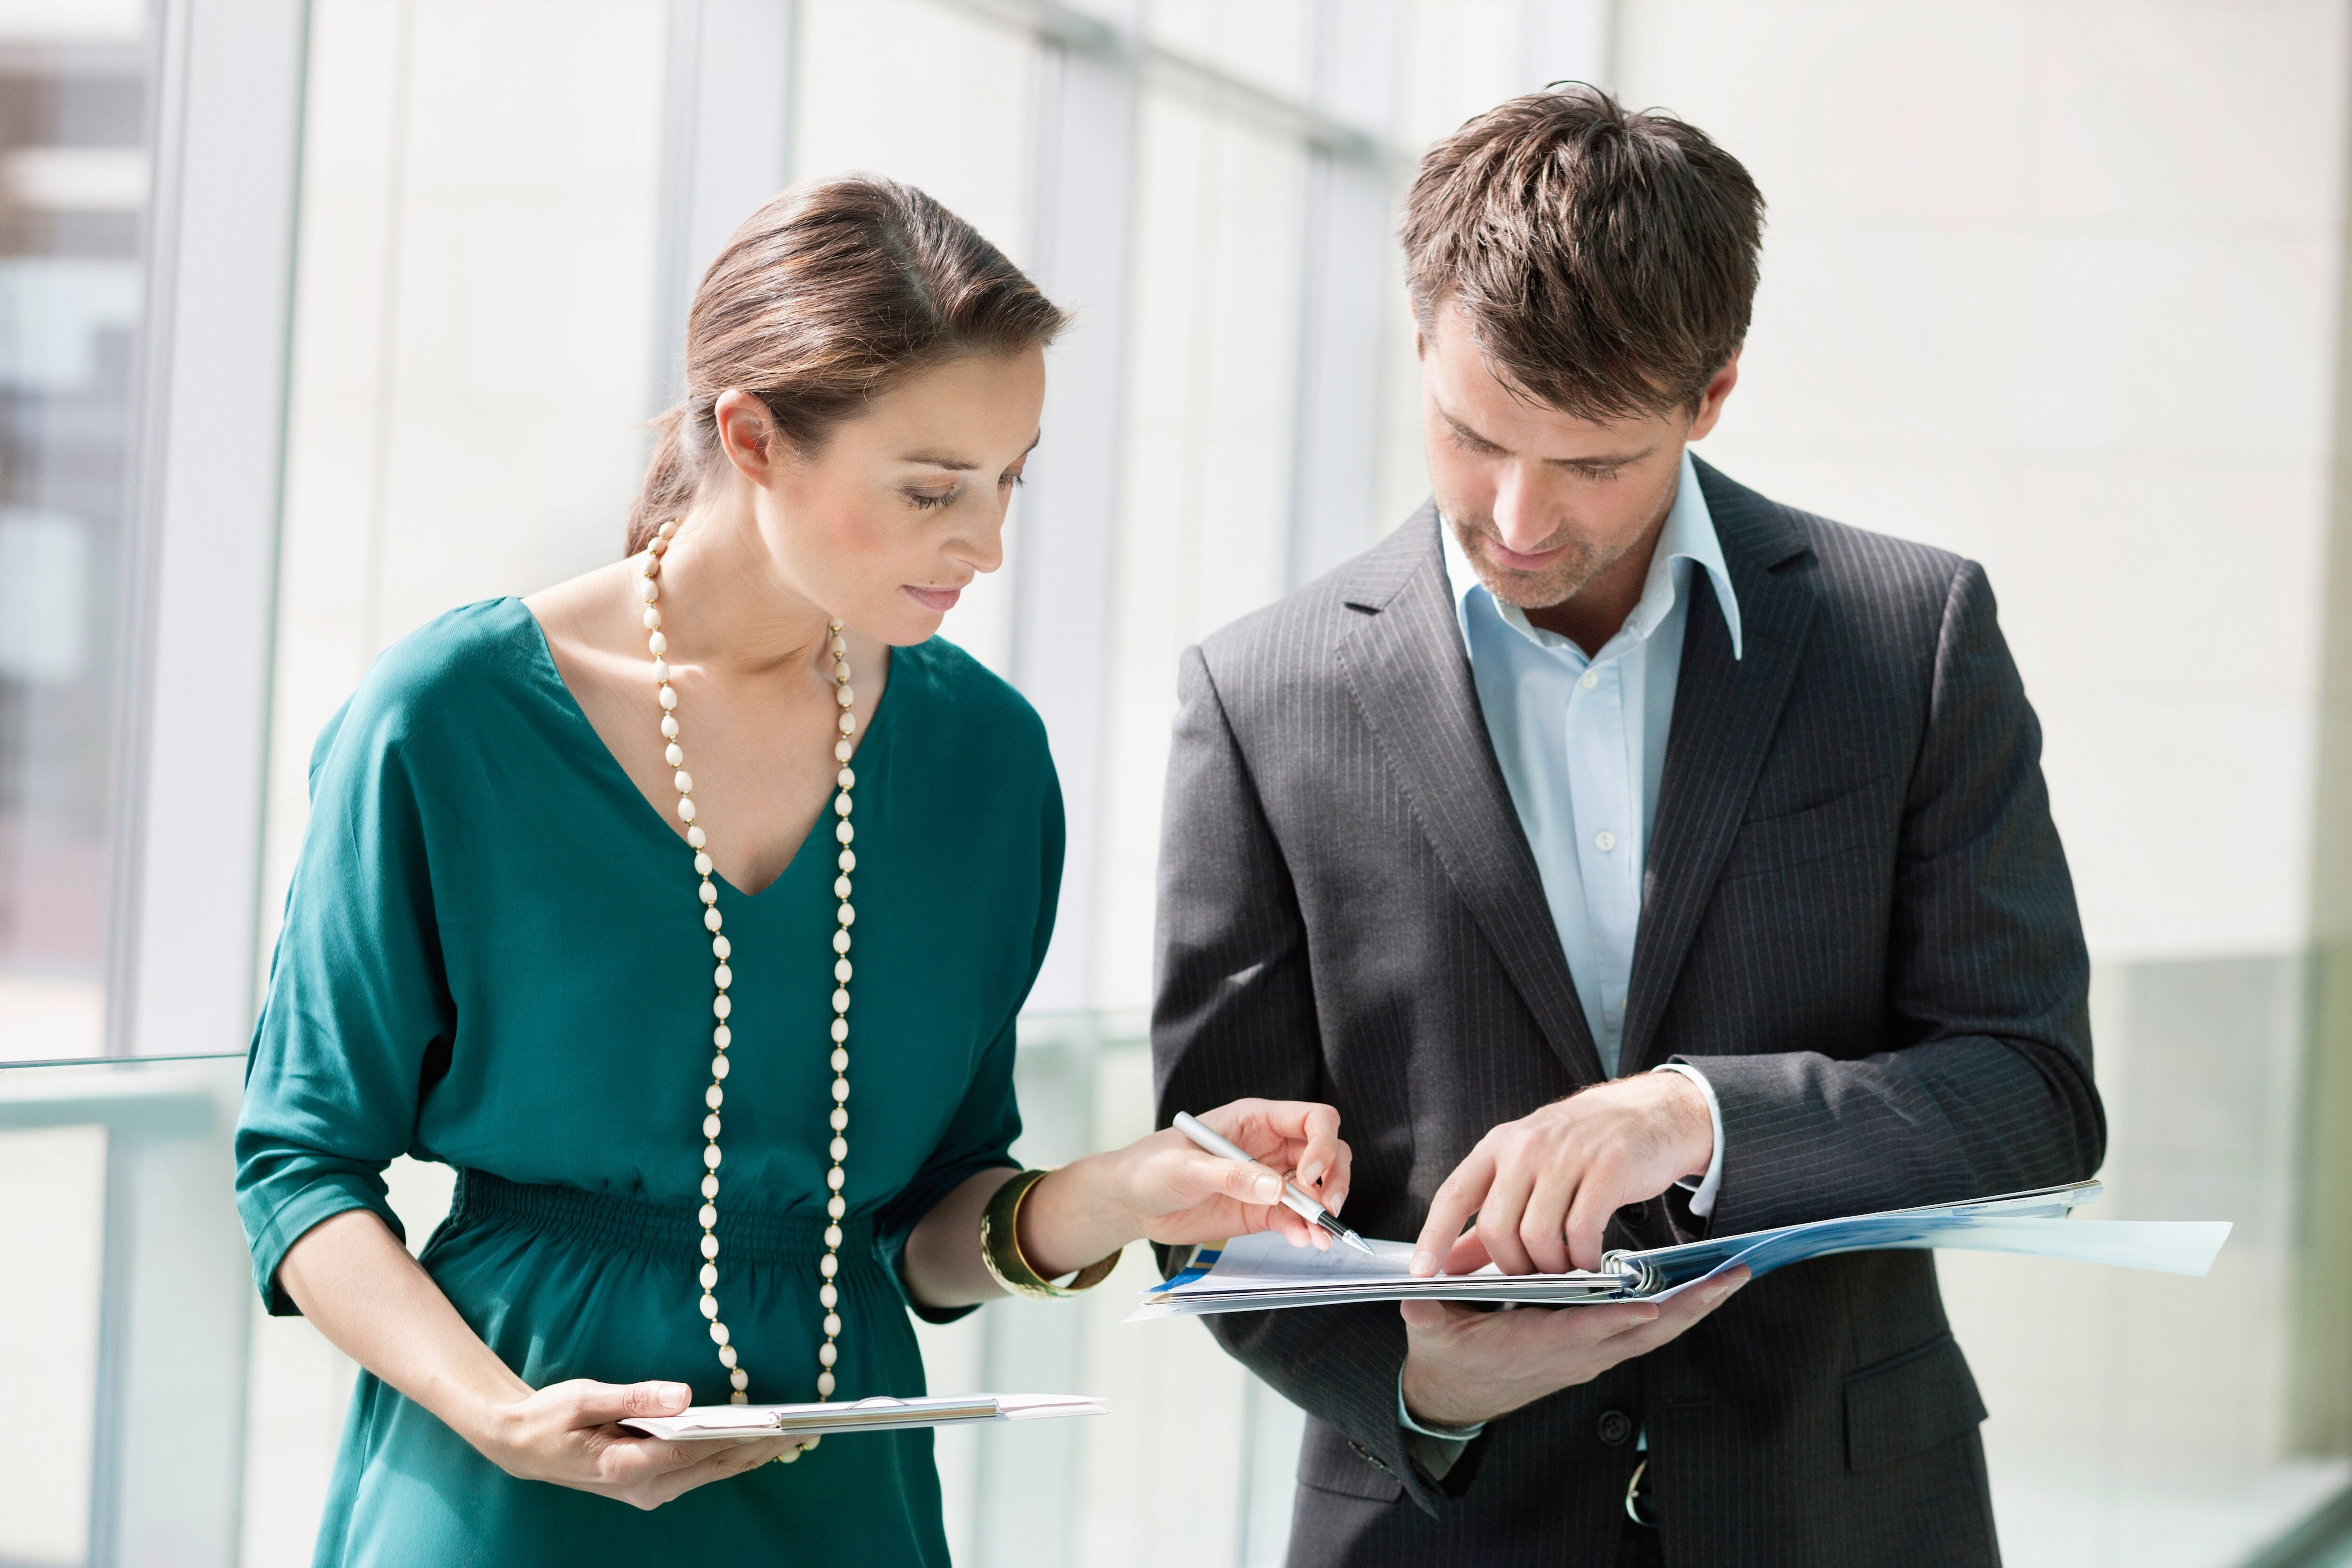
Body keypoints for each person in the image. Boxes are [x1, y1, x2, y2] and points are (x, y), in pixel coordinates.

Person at [234, 175, 1355, 1568]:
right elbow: (299, 1167)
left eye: (1011, 479)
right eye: (933, 487)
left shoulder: (985, 764)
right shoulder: (449, 717)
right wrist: (503, 1415)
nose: (989, 542)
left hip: (840, 1506)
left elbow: (927, 1224)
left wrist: (1124, 1192)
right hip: (503, 1495)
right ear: (753, 436)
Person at [1152, 86, 2105, 1568]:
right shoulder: (1262, 693)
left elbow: (2032, 1091)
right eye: (1473, 437)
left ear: (1711, 394)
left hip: (1844, 1514)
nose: (1521, 517)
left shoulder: (1907, 639)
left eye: (1593, 462)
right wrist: (1419, 1386)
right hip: (1438, 1522)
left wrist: (1696, 1116)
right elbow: (1207, 1194)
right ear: (1421, 350)